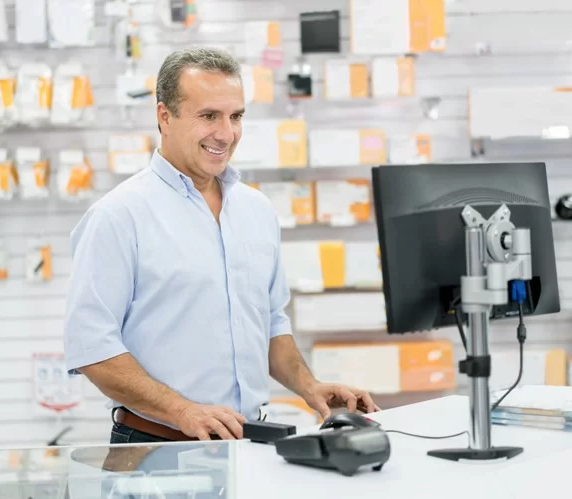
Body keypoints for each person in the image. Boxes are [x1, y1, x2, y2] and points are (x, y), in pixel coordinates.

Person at [63, 46, 378, 445]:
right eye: (208, 116)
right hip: (154, 447)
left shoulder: (256, 210)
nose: (226, 133)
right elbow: (91, 346)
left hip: (246, 443)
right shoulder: (118, 216)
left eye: (236, 116)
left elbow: (270, 323)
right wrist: (181, 410)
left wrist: (309, 385)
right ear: (164, 116)